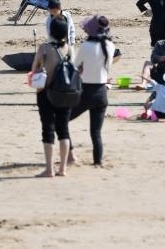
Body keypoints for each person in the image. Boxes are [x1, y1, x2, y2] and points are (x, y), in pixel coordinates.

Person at [30, 14, 73, 177]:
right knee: (63, 130)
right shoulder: (69, 49)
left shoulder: (44, 48)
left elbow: (34, 69)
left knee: (47, 130)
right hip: (65, 93)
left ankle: (49, 169)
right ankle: (62, 168)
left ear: (51, 31)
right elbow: (73, 69)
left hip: (46, 92)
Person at [70, 15, 113, 167]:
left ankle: (70, 154)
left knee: (61, 121)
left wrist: (82, 69)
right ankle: (98, 161)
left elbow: (75, 66)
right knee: (96, 132)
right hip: (102, 92)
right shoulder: (110, 45)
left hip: (86, 91)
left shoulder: (86, 46)